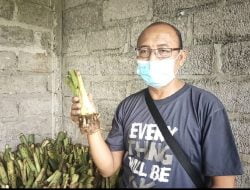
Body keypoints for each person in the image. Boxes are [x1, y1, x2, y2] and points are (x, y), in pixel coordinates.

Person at [70, 21, 243, 188]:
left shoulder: (206, 106)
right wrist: (91, 127)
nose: (152, 58)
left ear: (181, 57)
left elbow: (224, 184)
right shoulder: (127, 106)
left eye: (163, 50)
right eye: (144, 51)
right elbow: (108, 169)